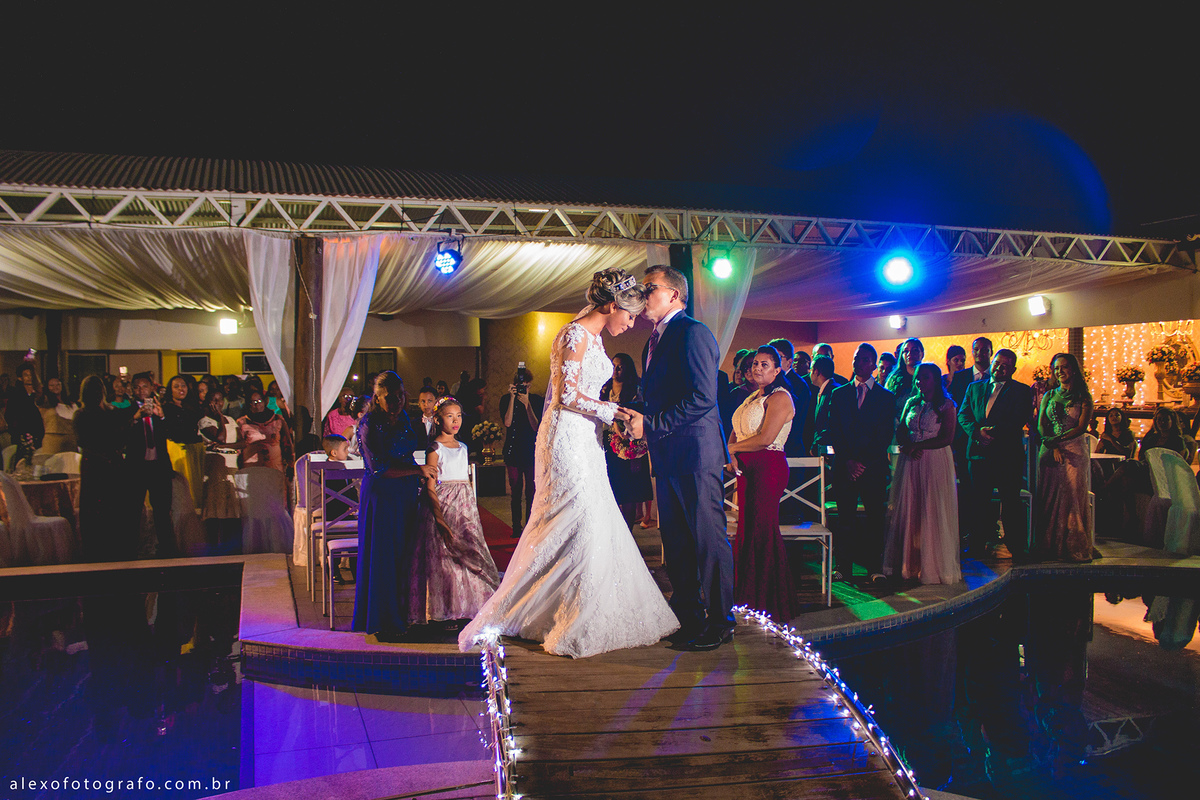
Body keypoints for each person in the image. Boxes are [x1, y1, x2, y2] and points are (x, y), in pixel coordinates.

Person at [461, 268, 678, 658]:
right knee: (575, 516)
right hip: (565, 439)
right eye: (628, 315)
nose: (631, 324)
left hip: (585, 438)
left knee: (588, 519)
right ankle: (558, 611)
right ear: (611, 306)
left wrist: (611, 416)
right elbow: (567, 396)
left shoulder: (592, 338)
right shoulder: (574, 334)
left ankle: (571, 605)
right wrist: (614, 412)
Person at [626, 264, 734, 651]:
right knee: (676, 541)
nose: (641, 294)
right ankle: (690, 616)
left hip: (696, 452)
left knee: (707, 539)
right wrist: (630, 413)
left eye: (648, 288)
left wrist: (650, 423)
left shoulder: (693, 332)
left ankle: (721, 622)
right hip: (668, 453)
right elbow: (660, 395)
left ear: (674, 295)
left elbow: (704, 397)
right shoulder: (653, 340)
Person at [352, 372, 438, 640]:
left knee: (405, 553)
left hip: (404, 494)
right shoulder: (369, 424)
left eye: (401, 395)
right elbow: (379, 468)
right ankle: (384, 620)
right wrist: (416, 471)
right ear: (377, 397)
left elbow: (412, 450)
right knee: (384, 556)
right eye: (390, 397)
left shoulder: (402, 418)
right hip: (382, 495)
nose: (397, 401)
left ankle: (405, 614)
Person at [409, 398, 500, 625]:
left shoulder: (464, 447)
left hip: (464, 505)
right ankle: (446, 609)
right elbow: (431, 486)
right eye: (450, 416)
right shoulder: (435, 448)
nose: (455, 420)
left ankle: (468, 606)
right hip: (444, 502)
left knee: (467, 550)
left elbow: (465, 481)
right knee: (444, 556)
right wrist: (439, 520)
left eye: (459, 415)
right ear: (439, 419)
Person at [726, 345, 798, 624]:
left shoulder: (780, 397)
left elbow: (766, 437)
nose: (757, 368)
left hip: (768, 467)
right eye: (755, 363)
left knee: (762, 530)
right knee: (747, 529)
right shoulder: (751, 397)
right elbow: (736, 430)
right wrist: (732, 450)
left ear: (778, 370)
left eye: (765, 364)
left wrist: (731, 450)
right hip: (748, 469)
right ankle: (746, 597)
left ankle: (769, 600)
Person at [882, 363, 961, 584]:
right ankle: (910, 564)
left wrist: (920, 447)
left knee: (931, 509)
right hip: (911, 461)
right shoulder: (911, 402)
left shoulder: (947, 405)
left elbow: (947, 437)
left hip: (934, 460)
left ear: (935, 380)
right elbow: (900, 430)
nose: (919, 382)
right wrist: (907, 445)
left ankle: (933, 565)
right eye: (917, 378)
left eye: (924, 378)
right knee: (910, 509)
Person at [826, 344, 896, 583]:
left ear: (874, 365)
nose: (859, 363)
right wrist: (847, 461)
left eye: (865, 360)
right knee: (845, 517)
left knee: (875, 517)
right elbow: (834, 430)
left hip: (872, 467)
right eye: (857, 359)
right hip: (845, 466)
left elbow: (884, 435)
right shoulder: (839, 394)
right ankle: (843, 566)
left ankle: (874, 567)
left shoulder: (886, 397)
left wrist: (862, 463)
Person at [958, 348, 1034, 561]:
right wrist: (976, 432)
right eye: (997, 363)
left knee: (1010, 502)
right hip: (978, 454)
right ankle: (976, 547)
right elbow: (963, 414)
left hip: (1006, 455)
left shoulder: (1021, 390)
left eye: (1005, 366)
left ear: (1013, 369)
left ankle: (1018, 548)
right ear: (992, 363)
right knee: (978, 502)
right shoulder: (974, 387)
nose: (1000, 368)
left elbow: (1018, 418)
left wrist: (991, 433)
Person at [1035, 352, 1094, 562]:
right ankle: (1049, 545)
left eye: (1064, 367)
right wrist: (1050, 443)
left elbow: (1081, 427)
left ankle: (1072, 546)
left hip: (1073, 451)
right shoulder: (1049, 396)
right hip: (1050, 450)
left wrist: (1058, 441)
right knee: (1049, 496)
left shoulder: (1083, 397)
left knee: (1071, 497)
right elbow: (1041, 423)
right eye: (1056, 368)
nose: (1060, 372)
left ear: (1074, 369)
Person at [74, 375, 131, 562]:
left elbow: (81, 441)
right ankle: (114, 548)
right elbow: (121, 440)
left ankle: (94, 551)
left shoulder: (81, 415)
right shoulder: (111, 413)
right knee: (112, 507)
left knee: (93, 508)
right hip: (110, 463)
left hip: (93, 463)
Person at [600, 353, 653, 529]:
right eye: (614, 366)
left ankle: (628, 532)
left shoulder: (635, 390)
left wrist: (635, 453)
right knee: (611, 488)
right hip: (608, 443)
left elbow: (637, 418)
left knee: (628, 492)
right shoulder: (604, 389)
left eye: (620, 366)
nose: (616, 370)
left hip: (629, 443)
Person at [126, 375, 174, 557]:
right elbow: (122, 434)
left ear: (151, 388)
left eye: (144, 386)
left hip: (158, 467)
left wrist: (161, 417)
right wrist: (136, 418)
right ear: (131, 389)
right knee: (133, 511)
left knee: (162, 510)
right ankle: (131, 549)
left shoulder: (161, 409)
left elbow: (172, 432)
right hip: (137, 468)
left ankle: (167, 549)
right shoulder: (128, 411)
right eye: (137, 387)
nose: (141, 390)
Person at [501, 366, 544, 535]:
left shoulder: (536, 400)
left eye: (525, 386)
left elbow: (536, 426)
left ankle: (529, 527)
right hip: (513, 451)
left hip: (531, 451)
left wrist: (527, 405)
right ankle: (516, 527)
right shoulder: (506, 399)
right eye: (519, 386)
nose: (522, 389)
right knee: (515, 492)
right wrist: (512, 399)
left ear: (530, 386)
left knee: (531, 492)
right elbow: (507, 422)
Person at [163, 375, 205, 508]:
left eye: (183, 386)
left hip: (194, 449)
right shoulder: (166, 408)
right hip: (176, 448)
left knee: (194, 485)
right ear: (170, 390)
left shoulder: (193, 406)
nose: (181, 389)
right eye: (176, 386)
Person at [238, 390, 294, 477]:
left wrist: (290, 463)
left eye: (259, 401)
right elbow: (239, 446)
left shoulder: (277, 420)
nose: (257, 404)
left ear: (264, 401)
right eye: (253, 402)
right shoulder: (242, 422)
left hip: (274, 468)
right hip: (251, 469)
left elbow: (287, 442)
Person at [806, 354, 838, 456]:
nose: (810, 373)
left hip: (830, 449)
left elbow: (830, 422)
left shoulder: (833, 392)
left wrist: (817, 443)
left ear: (816, 371)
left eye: (811, 370)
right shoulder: (825, 390)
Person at [37, 375, 78, 455]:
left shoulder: (71, 404)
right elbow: (37, 390)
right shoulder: (46, 403)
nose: (55, 387)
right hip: (53, 443)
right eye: (52, 385)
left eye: (58, 384)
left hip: (71, 444)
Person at [886, 337, 925, 420]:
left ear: (922, 353)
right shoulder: (894, 380)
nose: (909, 353)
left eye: (914, 350)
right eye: (906, 351)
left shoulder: (928, 377)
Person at [412, 386, 439, 452]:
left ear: (436, 402)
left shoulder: (441, 423)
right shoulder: (413, 424)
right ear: (419, 403)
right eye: (423, 401)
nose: (426, 404)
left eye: (430, 401)